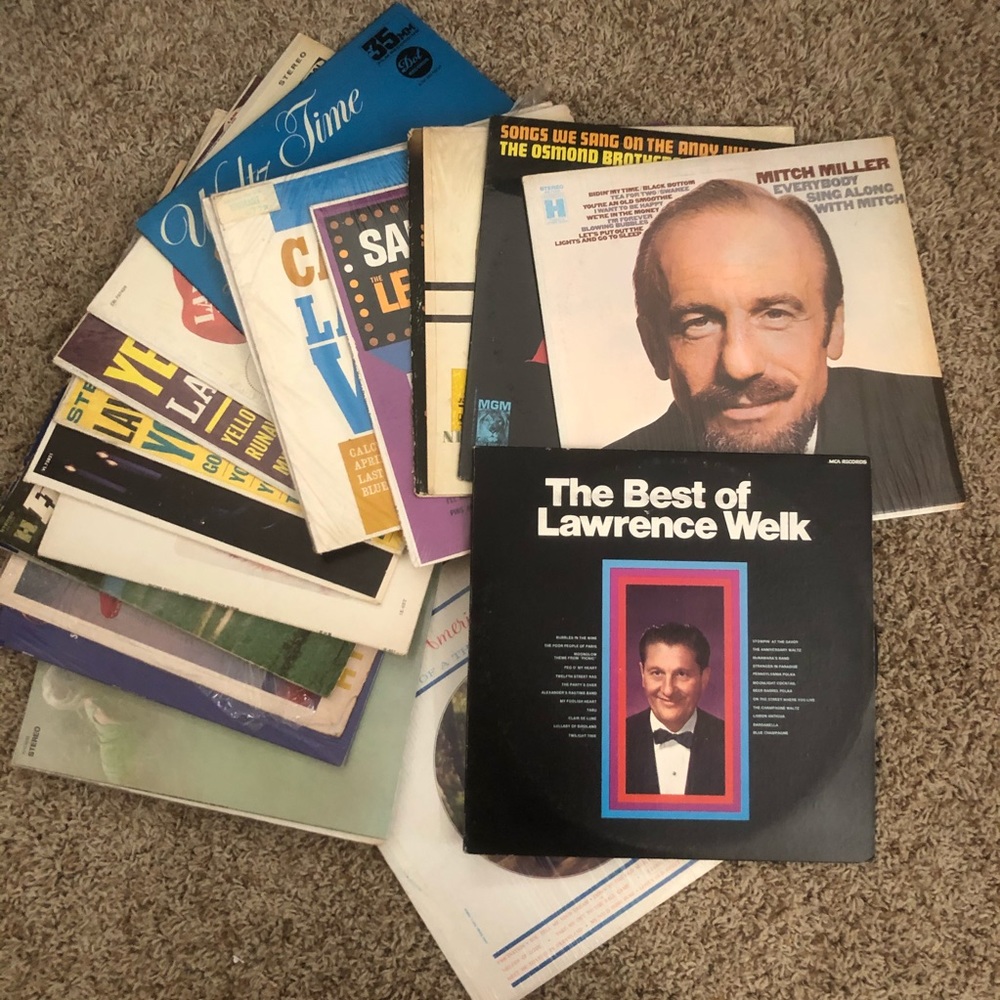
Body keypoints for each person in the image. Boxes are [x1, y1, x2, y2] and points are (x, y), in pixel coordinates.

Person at [610, 179, 963, 517]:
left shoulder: (928, 426)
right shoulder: (612, 480)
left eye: (775, 314)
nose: (739, 365)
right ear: (654, 347)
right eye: (698, 322)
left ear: (834, 327)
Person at [624, 622, 725, 796]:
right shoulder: (616, 738)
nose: (668, 690)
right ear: (642, 674)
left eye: (681, 674)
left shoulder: (731, 740)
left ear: (704, 678)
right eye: (657, 673)